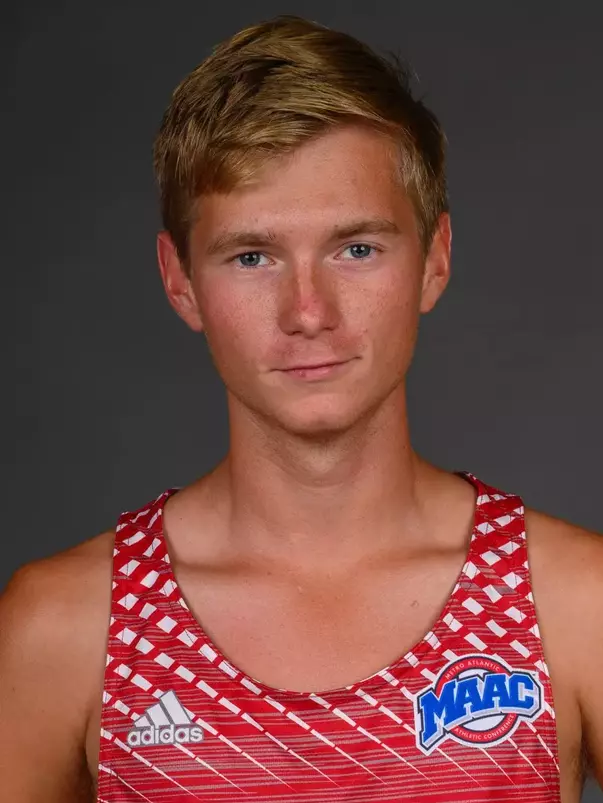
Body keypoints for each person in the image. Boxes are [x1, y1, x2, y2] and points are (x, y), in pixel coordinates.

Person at [1, 14, 602, 803]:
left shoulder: (574, 603)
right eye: (252, 257)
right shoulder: (66, 627)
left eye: (356, 248)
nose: (308, 310)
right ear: (179, 281)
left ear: (435, 260)